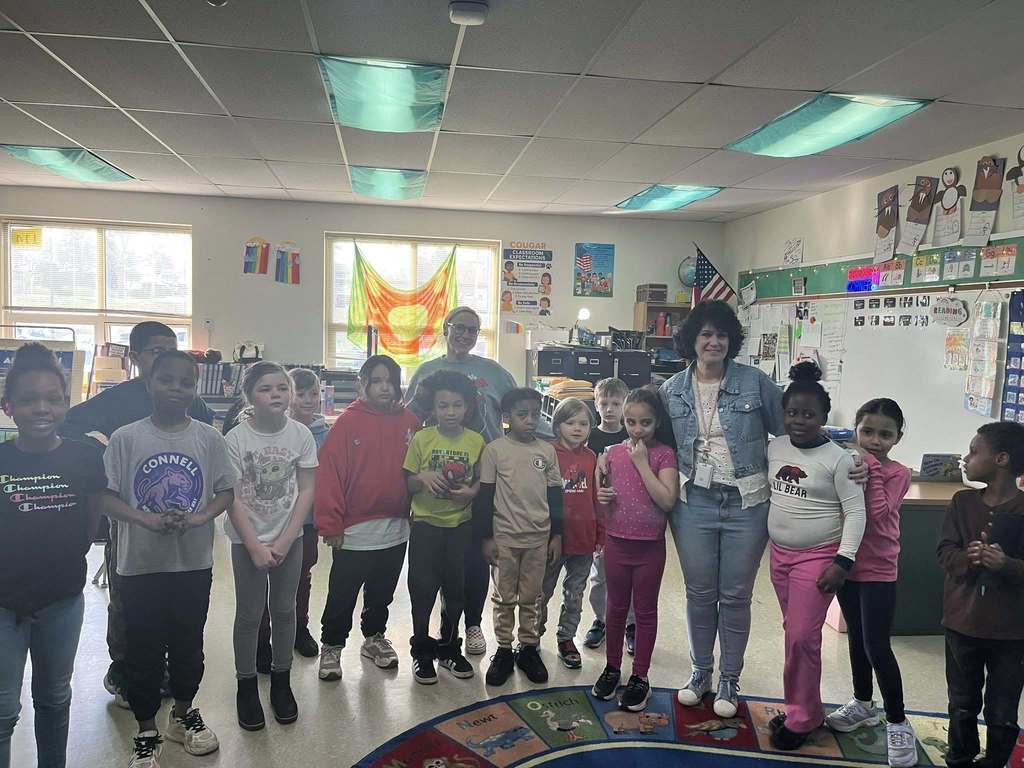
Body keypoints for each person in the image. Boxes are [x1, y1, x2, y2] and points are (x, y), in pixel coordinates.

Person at [661, 300, 865, 719]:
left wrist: (847, 457)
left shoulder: (756, 383)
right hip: (693, 503)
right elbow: (658, 444)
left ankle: (729, 679)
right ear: (692, 340)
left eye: (721, 334)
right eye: (705, 334)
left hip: (747, 504)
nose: (714, 341)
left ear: (731, 340)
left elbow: (799, 426)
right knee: (699, 594)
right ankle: (700, 671)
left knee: (735, 596)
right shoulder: (672, 390)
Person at [60, 322, 215, 708]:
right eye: (154, 352)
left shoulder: (190, 401)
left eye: (170, 349)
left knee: (177, 606)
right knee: (127, 600)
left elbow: (205, 431)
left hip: (181, 528)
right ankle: (125, 669)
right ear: (134, 358)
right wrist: (103, 449)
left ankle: (164, 670)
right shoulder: (117, 400)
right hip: (130, 522)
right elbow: (71, 424)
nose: (163, 359)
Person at [102, 351, 236, 768]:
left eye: (186, 382)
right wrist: (144, 518)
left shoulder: (208, 438)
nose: (176, 389)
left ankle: (182, 714)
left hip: (191, 565)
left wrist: (198, 517)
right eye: (167, 380)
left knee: (187, 644)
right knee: (141, 649)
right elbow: (104, 496)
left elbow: (224, 491)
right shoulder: (126, 438)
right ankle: (146, 730)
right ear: (149, 383)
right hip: (139, 567)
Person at [0, 344, 107, 768]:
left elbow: (90, 523)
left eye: (52, 399)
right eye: (28, 400)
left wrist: (61, 561)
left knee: (54, 697)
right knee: (4, 708)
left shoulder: (85, 457)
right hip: (3, 602)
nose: (41, 408)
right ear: (8, 407)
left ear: (66, 403)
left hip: (62, 599)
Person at [406, 306, 517, 657]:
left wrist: (563, 437)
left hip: (483, 478)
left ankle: (472, 625)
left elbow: (518, 412)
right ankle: (441, 630)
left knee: (475, 558)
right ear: (446, 328)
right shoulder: (428, 371)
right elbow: (408, 419)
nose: (466, 335)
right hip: (437, 485)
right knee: (439, 562)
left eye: (474, 330)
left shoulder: (495, 373)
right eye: (460, 328)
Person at [765, 362, 866, 751]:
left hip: (818, 559)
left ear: (824, 417)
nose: (799, 420)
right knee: (795, 636)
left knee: (802, 638)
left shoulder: (840, 459)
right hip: (779, 557)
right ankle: (800, 707)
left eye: (809, 414)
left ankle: (804, 718)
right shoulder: (775, 447)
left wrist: (843, 562)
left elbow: (856, 512)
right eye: (792, 412)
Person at [224, 362, 317, 732]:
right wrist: (255, 546)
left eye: (282, 387)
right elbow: (231, 498)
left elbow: (307, 488)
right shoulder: (236, 439)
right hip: (246, 539)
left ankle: (282, 681)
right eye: (266, 389)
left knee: (284, 609)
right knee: (249, 615)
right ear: (250, 397)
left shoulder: (301, 435)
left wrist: (284, 538)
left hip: (288, 538)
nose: (277, 394)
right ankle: (246, 684)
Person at [316, 356, 418, 681]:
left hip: (396, 530)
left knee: (381, 593)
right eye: (376, 380)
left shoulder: (410, 421)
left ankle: (374, 638)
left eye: (390, 380)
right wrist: (330, 522)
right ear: (364, 385)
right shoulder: (348, 422)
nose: (384, 387)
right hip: (354, 533)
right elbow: (329, 474)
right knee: (342, 594)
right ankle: (331, 646)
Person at [826, 399, 916, 768]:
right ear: (856, 430)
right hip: (848, 565)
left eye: (885, 434)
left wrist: (873, 470)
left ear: (897, 437)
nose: (875, 440)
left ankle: (898, 721)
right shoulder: (848, 465)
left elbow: (878, 514)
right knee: (857, 642)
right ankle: (863, 703)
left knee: (877, 645)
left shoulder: (898, 473)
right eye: (868, 432)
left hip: (879, 569)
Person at [937, 422, 1024, 768]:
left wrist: (1007, 564)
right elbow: (944, 553)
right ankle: (960, 758)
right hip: (962, 623)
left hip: (1012, 633)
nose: (966, 457)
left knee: (1003, 709)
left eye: (974, 451)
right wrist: (967, 558)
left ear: (1001, 459)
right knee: (961, 702)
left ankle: (995, 762)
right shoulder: (962, 502)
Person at [591, 389, 679, 712]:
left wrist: (642, 464)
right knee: (614, 608)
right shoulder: (611, 452)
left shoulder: (664, 455)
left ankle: (640, 675)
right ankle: (612, 668)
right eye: (631, 422)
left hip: (649, 548)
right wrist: (601, 493)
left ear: (657, 422)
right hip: (616, 542)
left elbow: (667, 500)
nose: (637, 428)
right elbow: (602, 500)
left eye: (645, 422)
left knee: (644, 612)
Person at [477, 388, 564, 687]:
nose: (529, 420)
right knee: (503, 597)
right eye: (521, 414)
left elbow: (555, 496)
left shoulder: (547, 451)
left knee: (531, 596)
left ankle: (528, 648)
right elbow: (485, 497)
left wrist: (557, 535)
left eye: (534, 414)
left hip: (538, 538)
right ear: (506, 418)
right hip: (504, 537)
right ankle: (503, 650)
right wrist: (486, 538)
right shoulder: (495, 450)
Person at [403, 370, 483, 685]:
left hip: (460, 528)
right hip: (425, 527)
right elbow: (408, 481)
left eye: (457, 405)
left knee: (456, 592)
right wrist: (422, 478)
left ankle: (449, 648)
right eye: (443, 405)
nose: (450, 412)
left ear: (468, 408)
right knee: (422, 590)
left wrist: (473, 492)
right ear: (432, 408)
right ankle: (422, 650)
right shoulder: (422, 438)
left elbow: (481, 481)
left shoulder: (476, 441)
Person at [253, 368, 329, 670]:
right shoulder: (273, 430)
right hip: (269, 519)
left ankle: (299, 628)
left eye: (314, 394)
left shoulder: (326, 434)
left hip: (307, 521)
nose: (308, 400)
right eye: (301, 394)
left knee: (301, 577)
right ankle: (262, 637)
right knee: (263, 582)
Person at [538, 398, 602, 670]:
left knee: (575, 593)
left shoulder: (592, 457)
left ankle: (566, 638)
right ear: (557, 425)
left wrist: (601, 534)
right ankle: (531, 637)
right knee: (542, 592)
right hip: (551, 539)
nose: (577, 428)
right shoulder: (546, 453)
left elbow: (597, 498)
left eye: (583, 423)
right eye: (570, 422)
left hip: (583, 539)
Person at [584, 378, 633, 651]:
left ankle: (631, 623)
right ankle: (601, 620)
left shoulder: (632, 436)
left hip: (628, 514)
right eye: (605, 403)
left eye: (617, 403)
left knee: (630, 574)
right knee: (600, 573)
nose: (610, 409)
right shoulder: (590, 436)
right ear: (596, 404)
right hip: (599, 516)